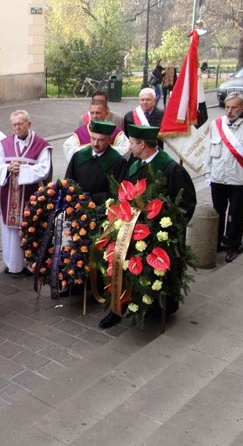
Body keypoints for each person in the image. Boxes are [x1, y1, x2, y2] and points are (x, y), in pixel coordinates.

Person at [99, 124, 197, 329]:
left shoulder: (171, 169)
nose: (129, 146)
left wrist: (164, 229)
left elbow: (186, 203)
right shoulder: (134, 164)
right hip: (129, 231)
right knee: (120, 267)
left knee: (155, 276)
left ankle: (157, 308)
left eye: (132, 143)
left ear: (142, 144)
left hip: (156, 235)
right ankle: (118, 308)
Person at [204, 92, 243, 262]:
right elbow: (208, 150)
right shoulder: (217, 124)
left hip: (239, 178)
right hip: (218, 176)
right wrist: (207, 172)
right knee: (218, 211)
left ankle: (233, 244)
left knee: (235, 213)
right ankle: (216, 243)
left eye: (234, 107)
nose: (229, 111)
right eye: (227, 107)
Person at [0, 110, 52, 275]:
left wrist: (23, 169)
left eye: (21, 124)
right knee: (10, 230)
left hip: (30, 195)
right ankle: (12, 264)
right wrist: (7, 168)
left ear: (28, 124)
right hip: (9, 194)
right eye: (14, 125)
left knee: (30, 227)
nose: (17, 127)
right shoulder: (3, 144)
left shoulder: (41, 145)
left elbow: (44, 169)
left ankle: (30, 263)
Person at [64, 121, 128, 206]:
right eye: (93, 138)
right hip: (76, 206)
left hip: (101, 209)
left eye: (101, 140)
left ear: (109, 140)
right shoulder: (78, 156)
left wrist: (91, 200)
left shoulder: (118, 162)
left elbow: (116, 193)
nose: (95, 144)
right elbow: (68, 182)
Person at [64, 99, 130, 162]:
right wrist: (90, 151)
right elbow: (68, 148)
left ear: (106, 114)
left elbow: (127, 149)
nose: (94, 116)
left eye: (98, 113)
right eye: (92, 113)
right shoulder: (80, 133)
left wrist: (105, 152)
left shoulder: (115, 132)